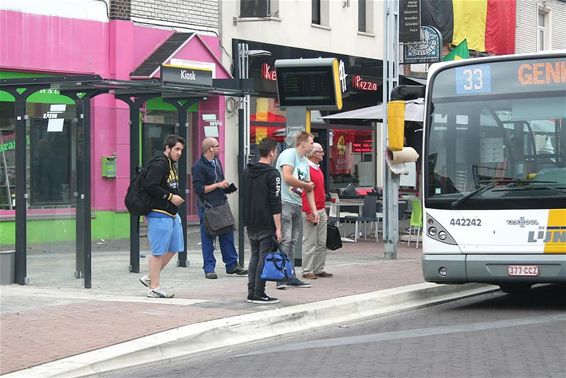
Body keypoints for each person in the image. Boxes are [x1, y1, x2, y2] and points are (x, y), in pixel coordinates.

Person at [192, 137, 247, 279]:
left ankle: (232, 265)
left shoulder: (216, 162)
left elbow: (219, 181)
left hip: (221, 203)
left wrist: (225, 187)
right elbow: (199, 189)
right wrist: (217, 185)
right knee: (208, 237)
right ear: (210, 148)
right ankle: (209, 268)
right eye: (217, 146)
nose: (219, 148)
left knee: (227, 234)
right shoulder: (198, 166)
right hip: (208, 207)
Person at [139, 134, 186, 298]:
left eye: (181, 150)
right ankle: (154, 288)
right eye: (176, 149)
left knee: (174, 247)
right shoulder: (160, 163)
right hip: (160, 213)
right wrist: (170, 197)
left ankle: (150, 277)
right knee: (158, 251)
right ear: (167, 148)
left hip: (171, 213)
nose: (179, 153)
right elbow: (149, 186)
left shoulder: (170, 164)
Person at [276, 131, 318, 289]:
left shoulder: (304, 161)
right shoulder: (289, 154)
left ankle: (290, 274)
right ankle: (280, 276)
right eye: (311, 142)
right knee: (285, 240)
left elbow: (309, 187)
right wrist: (305, 185)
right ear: (303, 143)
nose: (313, 145)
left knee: (292, 241)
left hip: (296, 203)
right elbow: (287, 177)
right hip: (284, 202)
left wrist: (313, 210)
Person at [243, 138, 282, 304]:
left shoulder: (247, 171)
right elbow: (275, 201)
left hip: (250, 220)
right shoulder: (273, 174)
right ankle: (259, 292)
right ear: (272, 152)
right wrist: (278, 228)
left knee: (254, 255)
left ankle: (252, 291)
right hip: (266, 220)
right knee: (263, 257)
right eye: (276, 151)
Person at [301, 143, 333, 280]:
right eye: (321, 152)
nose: (323, 154)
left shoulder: (317, 168)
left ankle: (318, 268)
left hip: (320, 209)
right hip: (312, 210)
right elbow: (304, 192)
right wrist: (308, 211)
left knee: (321, 242)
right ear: (314, 154)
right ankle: (307, 270)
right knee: (309, 242)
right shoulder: (307, 169)